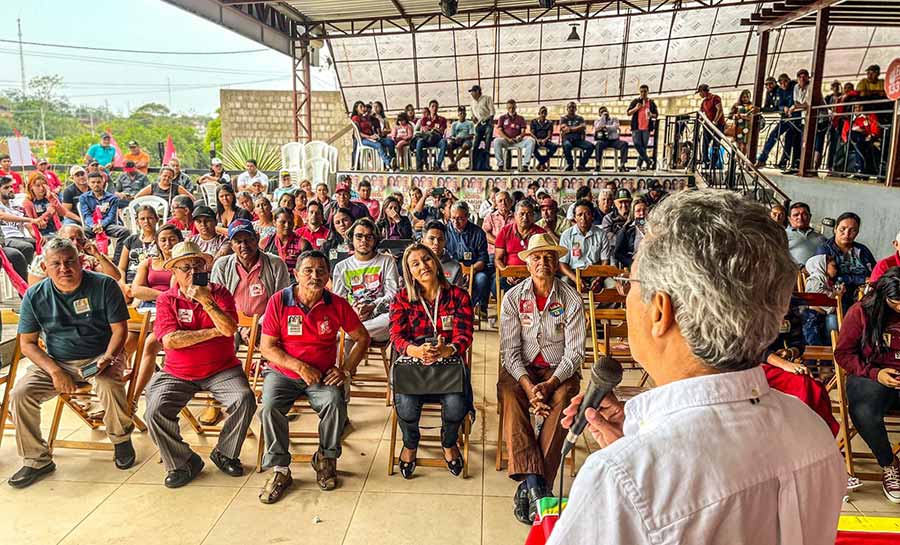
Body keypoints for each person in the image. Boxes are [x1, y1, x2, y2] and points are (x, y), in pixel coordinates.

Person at [548, 189, 845, 544]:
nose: (626, 294)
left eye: (630, 281)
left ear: (661, 312)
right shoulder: (811, 432)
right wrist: (641, 441)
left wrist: (639, 460)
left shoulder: (622, 480)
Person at [7, 237, 134, 489]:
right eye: (56, 263)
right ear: (45, 267)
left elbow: (120, 330)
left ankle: (120, 440)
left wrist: (108, 357)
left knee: (108, 384)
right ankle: (36, 459)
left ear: (81, 261)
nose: (64, 268)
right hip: (57, 361)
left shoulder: (104, 285)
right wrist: (54, 370)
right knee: (20, 393)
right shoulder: (35, 295)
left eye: (69, 261)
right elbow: (27, 344)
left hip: (101, 356)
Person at [257, 251, 371, 501]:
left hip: (321, 375)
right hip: (283, 373)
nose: (314, 276)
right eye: (308, 270)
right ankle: (280, 469)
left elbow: (362, 337)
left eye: (321, 271)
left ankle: (325, 458)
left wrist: (345, 370)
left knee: (335, 402)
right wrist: (299, 367)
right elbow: (267, 347)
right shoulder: (279, 301)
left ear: (329, 276)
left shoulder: (337, 304)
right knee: (269, 407)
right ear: (296, 274)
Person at [144, 241, 256, 488]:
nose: (193, 272)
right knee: (154, 411)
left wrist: (207, 302)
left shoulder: (219, 293)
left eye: (198, 265)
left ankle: (225, 452)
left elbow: (229, 329)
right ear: (174, 272)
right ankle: (183, 461)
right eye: (185, 267)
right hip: (178, 372)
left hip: (221, 368)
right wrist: (212, 332)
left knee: (244, 400)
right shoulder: (166, 300)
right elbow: (171, 341)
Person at [498, 233, 584, 523]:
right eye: (537, 257)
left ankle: (530, 486)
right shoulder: (513, 298)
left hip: (557, 370)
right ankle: (539, 489)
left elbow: (575, 353)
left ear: (557, 262)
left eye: (549, 257)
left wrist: (549, 385)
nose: (543, 262)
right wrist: (529, 386)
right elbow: (509, 352)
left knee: (565, 400)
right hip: (521, 370)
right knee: (511, 395)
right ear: (527, 264)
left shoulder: (571, 298)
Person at [389, 243, 474, 479]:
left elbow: (465, 335)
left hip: (447, 362)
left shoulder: (458, 296)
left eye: (426, 259)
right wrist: (415, 350)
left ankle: (448, 443)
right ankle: (410, 444)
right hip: (414, 362)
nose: (423, 266)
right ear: (409, 272)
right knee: (405, 405)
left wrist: (449, 349)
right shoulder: (402, 298)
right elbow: (396, 336)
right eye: (415, 264)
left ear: (436, 263)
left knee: (457, 404)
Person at [835, 268, 900, 503]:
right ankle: (889, 464)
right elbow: (843, 354)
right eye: (896, 303)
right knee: (863, 409)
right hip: (871, 375)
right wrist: (875, 373)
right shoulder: (861, 312)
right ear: (883, 297)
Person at [331, 218, 400, 348]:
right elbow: (339, 300)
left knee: (392, 321)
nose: (364, 240)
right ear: (351, 238)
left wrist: (372, 306)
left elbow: (393, 294)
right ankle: (346, 368)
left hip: (380, 317)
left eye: (369, 237)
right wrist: (354, 310)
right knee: (345, 341)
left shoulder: (387, 261)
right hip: (353, 316)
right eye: (359, 236)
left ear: (375, 240)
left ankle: (345, 333)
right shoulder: (341, 267)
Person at [211, 218, 291, 320]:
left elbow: (282, 301)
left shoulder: (276, 264)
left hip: (267, 326)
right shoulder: (221, 266)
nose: (244, 245)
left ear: (257, 238)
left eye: (248, 240)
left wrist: (258, 326)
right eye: (238, 242)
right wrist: (237, 329)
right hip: (232, 326)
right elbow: (218, 304)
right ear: (231, 245)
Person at [815, 212, 876, 309]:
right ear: (835, 229)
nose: (847, 234)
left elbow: (874, 272)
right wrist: (861, 279)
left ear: (857, 233)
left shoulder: (862, 250)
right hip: (837, 297)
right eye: (842, 229)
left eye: (853, 230)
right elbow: (829, 278)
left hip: (864, 295)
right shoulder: (825, 249)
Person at [28, 224, 121, 285]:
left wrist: (98, 255)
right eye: (70, 239)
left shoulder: (88, 259)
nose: (75, 243)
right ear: (59, 239)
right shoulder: (43, 260)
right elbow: (35, 290)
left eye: (80, 240)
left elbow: (115, 277)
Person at [445, 201, 491, 316]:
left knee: (482, 279)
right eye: (453, 218)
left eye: (460, 218)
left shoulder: (478, 232)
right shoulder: (445, 232)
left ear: (467, 217)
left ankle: (468, 306)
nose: (456, 222)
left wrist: (472, 270)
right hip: (450, 270)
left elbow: (483, 259)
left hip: (474, 269)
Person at [559, 199, 611, 284]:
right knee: (564, 283)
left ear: (592, 216)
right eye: (579, 215)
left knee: (613, 285)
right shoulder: (567, 235)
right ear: (575, 218)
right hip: (574, 274)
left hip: (597, 274)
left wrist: (598, 279)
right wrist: (576, 279)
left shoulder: (601, 234)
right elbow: (562, 264)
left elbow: (605, 261)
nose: (583, 218)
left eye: (587, 214)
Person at [130, 224, 181, 311]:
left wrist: (150, 293)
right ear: (157, 242)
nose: (167, 243)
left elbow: (177, 292)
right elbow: (135, 290)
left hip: (174, 305)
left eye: (172, 239)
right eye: (163, 240)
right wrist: (164, 296)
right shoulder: (147, 263)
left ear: (179, 241)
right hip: (148, 305)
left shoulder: (185, 263)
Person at [0, 176, 38, 280]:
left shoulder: (17, 205)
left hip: (20, 237)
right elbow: (2, 216)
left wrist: (37, 236)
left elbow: (28, 225)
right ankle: (27, 283)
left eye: (11, 186)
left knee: (44, 245)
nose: (11, 189)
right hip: (6, 238)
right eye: (6, 187)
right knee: (27, 247)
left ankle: (39, 278)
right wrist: (31, 220)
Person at [756, 73, 797, 169]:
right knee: (774, 136)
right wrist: (760, 109)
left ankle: (783, 162)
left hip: (793, 118)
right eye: (767, 84)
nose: (769, 86)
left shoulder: (781, 90)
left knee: (789, 139)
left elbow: (781, 105)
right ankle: (763, 160)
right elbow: (772, 107)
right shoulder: (771, 93)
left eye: (771, 84)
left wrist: (783, 108)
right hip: (786, 118)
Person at [494, 200, 546, 271]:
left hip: (533, 274)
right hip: (508, 273)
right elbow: (497, 259)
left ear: (533, 216)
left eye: (529, 214)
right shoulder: (505, 231)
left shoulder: (541, 233)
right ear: (515, 215)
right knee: (496, 281)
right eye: (522, 214)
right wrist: (506, 272)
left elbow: (544, 260)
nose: (525, 217)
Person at [79, 172, 130, 241]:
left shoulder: (113, 198)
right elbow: (86, 215)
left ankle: (118, 252)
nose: (96, 184)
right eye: (93, 182)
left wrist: (101, 225)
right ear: (88, 183)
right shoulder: (84, 197)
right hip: (92, 227)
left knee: (125, 231)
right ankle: (88, 251)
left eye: (98, 182)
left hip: (108, 226)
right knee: (78, 233)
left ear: (103, 182)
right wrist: (94, 225)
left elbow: (111, 216)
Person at [261, 207, 311, 275]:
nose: (287, 225)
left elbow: (308, 268)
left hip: (293, 281)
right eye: (283, 222)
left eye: (290, 222)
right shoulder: (265, 243)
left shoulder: (302, 244)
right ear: (274, 222)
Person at [117, 205, 159, 285]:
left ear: (157, 219)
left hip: (151, 281)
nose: (146, 221)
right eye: (142, 219)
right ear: (137, 222)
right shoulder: (131, 240)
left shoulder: (162, 240)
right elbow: (121, 268)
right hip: (130, 281)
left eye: (150, 218)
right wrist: (123, 284)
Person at [351, 101, 396, 170]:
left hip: (373, 137)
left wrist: (376, 135)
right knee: (379, 145)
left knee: (390, 142)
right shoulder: (355, 118)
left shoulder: (365, 118)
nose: (363, 108)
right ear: (356, 109)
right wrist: (369, 137)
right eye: (361, 107)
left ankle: (393, 160)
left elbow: (373, 128)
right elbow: (358, 133)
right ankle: (389, 163)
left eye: (363, 106)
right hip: (364, 139)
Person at [493, 99, 535, 172]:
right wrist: (508, 139)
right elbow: (500, 131)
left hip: (518, 141)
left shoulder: (520, 118)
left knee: (531, 141)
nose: (511, 109)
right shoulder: (502, 118)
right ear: (507, 108)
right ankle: (500, 165)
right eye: (509, 108)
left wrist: (520, 137)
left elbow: (523, 131)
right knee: (496, 141)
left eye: (513, 108)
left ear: (516, 107)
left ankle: (525, 165)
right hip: (506, 140)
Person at [421, 221, 465, 288]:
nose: (436, 243)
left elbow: (458, 296)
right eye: (431, 238)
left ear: (445, 242)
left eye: (440, 239)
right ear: (422, 242)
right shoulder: (416, 266)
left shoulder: (455, 267)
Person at [22, 172, 64, 240]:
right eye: (38, 185)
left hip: (58, 230)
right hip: (42, 234)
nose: (41, 188)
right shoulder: (28, 203)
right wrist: (39, 236)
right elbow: (30, 225)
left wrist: (51, 197)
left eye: (44, 185)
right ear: (31, 187)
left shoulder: (51, 197)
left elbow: (62, 214)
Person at [626, 85, 659, 170]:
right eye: (641, 91)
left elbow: (656, 115)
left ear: (648, 92)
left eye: (645, 91)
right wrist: (636, 108)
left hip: (646, 128)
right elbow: (628, 112)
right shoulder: (636, 101)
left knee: (643, 148)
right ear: (639, 92)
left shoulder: (651, 102)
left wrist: (651, 114)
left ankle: (638, 166)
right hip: (636, 128)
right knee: (637, 144)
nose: (643, 93)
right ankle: (648, 161)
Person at [786, 202, 826, 266]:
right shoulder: (783, 235)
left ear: (810, 216)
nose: (800, 218)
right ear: (789, 219)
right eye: (796, 215)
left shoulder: (821, 237)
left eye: (804, 214)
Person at [613, 197, 648, 269]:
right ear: (633, 213)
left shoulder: (654, 229)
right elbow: (617, 254)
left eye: (644, 210)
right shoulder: (626, 230)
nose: (642, 213)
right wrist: (632, 263)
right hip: (633, 264)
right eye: (638, 211)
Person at [697, 83, 726, 169]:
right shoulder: (704, 102)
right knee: (705, 144)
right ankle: (705, 161)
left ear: (703, 91)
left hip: (718, 125)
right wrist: (699, 124)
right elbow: (701, 113)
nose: (699, 94)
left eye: (700, 92)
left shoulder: (715, 98)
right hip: (708, 125)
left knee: (716, 144)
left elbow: (719, 110)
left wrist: (715, 121)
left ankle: (713, 165)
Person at [415, 100, 448, 172]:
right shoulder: (424, 119)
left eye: (436, 106)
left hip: (437, 140)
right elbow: (424, 130)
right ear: (429, 108)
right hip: (427, 139)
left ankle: (437, 165)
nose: (434, 108)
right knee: (419, 142)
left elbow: (441, 131)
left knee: (444, 142)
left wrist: (432, 129)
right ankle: (419, 165)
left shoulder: (442, 119)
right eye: (432, 106)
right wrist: (434, 129)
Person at [469, 85, 496, 171]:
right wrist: (473, 119)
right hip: (479, 124)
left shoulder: (487, 98)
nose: (471, 94)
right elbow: (472, 114)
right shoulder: (472, 103)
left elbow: (492, 112)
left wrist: (491, 123)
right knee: (475, 144)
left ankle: (486, 165)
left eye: (472, 92)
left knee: (487, 143)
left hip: (487, 122)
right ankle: (473, 165)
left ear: (477, 91)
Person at [593, 106, 628, 171]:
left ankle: (622, 165)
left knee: (624, 144)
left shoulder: (614, 119)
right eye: (602, 112)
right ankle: (598, 164)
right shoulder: (597, 121)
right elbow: (597, 127)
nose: (604, 113)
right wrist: (603, 118)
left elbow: (615, 127)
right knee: (598, 144)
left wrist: (605, 127)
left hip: (614, 140)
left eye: (605, 111)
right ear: (599, 114)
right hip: (603, 141)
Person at [559, 102, 592, 171]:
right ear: (567, 109)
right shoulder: (563, 118)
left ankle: (581, 164)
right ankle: (570, 164)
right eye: (570, 107)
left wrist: (570, 129)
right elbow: (564, 129)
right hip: (567, 139)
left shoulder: (580, 118)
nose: (571, 109)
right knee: (567, 145)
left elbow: (583, 127)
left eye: (573, 107)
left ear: (576, 109)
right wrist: (578, 128)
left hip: (578, 140)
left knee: (590, 146)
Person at [445, 106, 475, 171]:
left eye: (463, 113)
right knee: (448, 146)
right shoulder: (454, 124)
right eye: (460, 113)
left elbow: (472, 135)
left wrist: (463, 138)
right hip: (457, 139)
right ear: (458, 114)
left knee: (465, 146)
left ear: (466, 114)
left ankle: (454, 162)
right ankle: (454, 164)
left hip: (466, 139)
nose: (462, 115)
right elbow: (452, 135)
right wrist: (455, 138)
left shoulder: (470, 123)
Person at [530, 106, 557, 171]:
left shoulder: (549, 123)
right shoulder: (534, 122)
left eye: (545, 112)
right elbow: (532, 133)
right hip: (537, 140)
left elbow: (549, 135)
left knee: (554, 147)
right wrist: (537, 140)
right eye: (542, 112)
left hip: (546, 140)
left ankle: (541, 162)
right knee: (532, 146)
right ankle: (542, 163)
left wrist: (545, 140)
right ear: (539, 113)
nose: (543, 114)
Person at [730, 90, 757, 156]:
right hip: (738, 127)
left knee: (745, 146)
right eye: (744, 97)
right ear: (741, 97)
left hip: (748, 128)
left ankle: (744, 162)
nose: (746, 99)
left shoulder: (752, 106)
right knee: (738, 146)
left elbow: (755, 117)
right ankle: (739, 163)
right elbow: (730, 115)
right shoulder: (736, 105)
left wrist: (745, 117)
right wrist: (737, 116)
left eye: (747, 97)